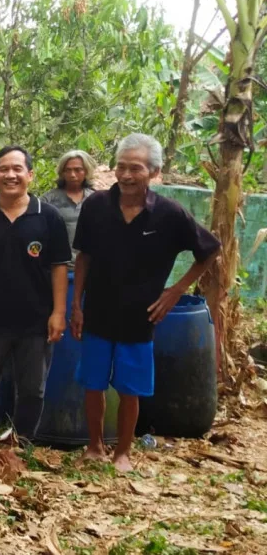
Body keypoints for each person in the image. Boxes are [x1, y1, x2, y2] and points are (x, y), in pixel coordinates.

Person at [72, 133, 220, 472]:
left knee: (130, 388)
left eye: (135, 168)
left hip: (141, 317)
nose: (126, 175)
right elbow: (84, 257)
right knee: (92, 385)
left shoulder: (169, 214)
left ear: (153, 172)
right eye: (121, 167)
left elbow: (209, 250)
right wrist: (76, 305)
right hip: (97, 311)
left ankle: (123, 452)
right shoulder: (95, 206)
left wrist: (176, 290)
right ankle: (95, 446)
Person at [0, 146, 71, 444]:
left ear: (30, 175)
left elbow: (59, 268)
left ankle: (22, 444)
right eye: (4, 169)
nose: (11, 174)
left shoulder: (49, 218)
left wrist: (59, 312)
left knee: (33, 389)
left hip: (36, 321)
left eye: (18, 169)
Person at [41, 150, 96, 268]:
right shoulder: (48, 200)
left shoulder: (95, 199)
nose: (72, 174)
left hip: (90, 267)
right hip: (58, 266)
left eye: (77, 170)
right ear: (62, 172)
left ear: (86, 171)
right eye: (68, 170)